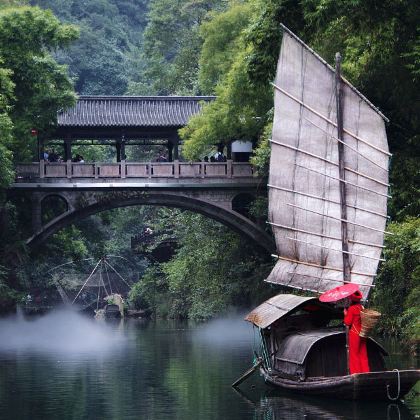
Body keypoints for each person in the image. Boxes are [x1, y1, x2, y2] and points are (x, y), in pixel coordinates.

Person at [343, 290, 370, 374]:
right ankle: (366, 373)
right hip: (363, 333)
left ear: (351, 299)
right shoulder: (362, 307)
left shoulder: (352, 309)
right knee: (363, 354)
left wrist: (345, 314)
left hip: (354, 334)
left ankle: (356, 374)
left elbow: (347, 322)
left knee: (354, 355)